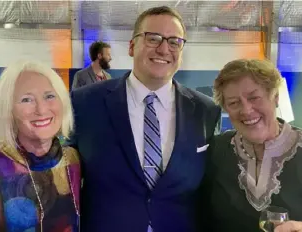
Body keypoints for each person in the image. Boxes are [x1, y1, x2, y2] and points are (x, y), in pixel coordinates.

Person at [68, 5, 221, 232]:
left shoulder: (205, 110)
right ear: (131, 46)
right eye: (153, 38)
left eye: (174, 42)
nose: (163, 49)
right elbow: (63, 173)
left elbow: (210, 187)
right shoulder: (85, 102)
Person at [199, 59, 302, 232]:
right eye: (234, 103)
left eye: (254, 98)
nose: (247, 110)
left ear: (275, 97)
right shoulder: (216, 150)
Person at [0, 61, 81, 232]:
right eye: (26, 99)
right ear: (9, 110)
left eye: (49, 96)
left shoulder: (74, 160)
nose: (41, 110)